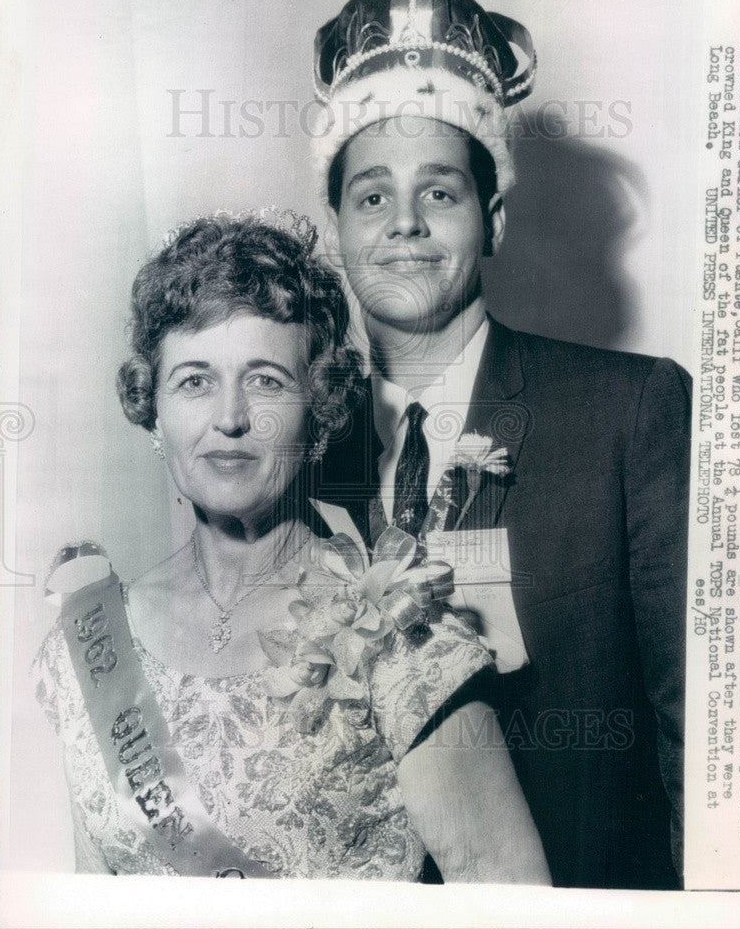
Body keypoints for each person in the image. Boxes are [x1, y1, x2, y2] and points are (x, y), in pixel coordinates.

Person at [312, 0, 691, 888]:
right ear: (337, 230)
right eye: (371, 196)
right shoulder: (297, 447)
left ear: (494, 218)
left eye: (438, 192)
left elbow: (703, 727)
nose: (404, 224)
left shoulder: (629, 412)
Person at [31, 210, 550, 882]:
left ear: (320, 407)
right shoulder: (89, 646)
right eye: (194, 380)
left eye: (266, 381)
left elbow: (510, 898)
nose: (230, 417)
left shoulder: (401, 638)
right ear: (151, 409)